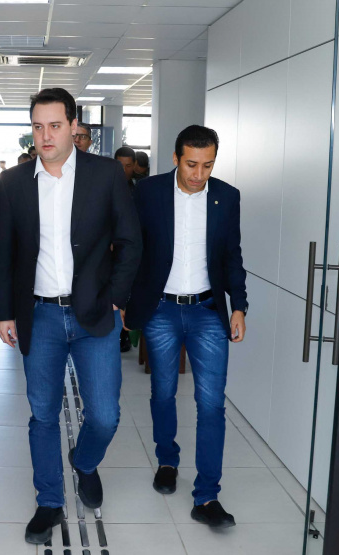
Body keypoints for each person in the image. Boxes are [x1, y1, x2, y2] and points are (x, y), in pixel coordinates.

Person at [0, 88, 142, 545]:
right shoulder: (16, 181)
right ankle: (49, 500)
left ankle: (84, 461)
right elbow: (7, 254)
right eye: (37, 127)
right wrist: (4, 313)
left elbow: (131, 241)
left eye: (55, 126)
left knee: (104, 415)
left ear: (75, 126)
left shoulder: (105, 175)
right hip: (38, 315)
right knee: (42, 414)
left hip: (94, 315)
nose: (45, 136)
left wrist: (116, 299)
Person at [124, 125, 248, 530]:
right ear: (176, 158)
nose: (199, 174)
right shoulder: (148, 193)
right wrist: (124, 300)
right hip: (160, 309)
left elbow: (232, 255)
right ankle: (167, 459)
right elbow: (131, 249)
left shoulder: (226, 197)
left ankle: (207, 495)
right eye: (192, 164)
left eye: (208, 165)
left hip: (208, 312)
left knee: (211, 403)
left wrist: (239, 306)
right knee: (163, 391)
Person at [113, 146, 139, 353]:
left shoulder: (139, 190)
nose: (124, 170)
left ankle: (127, 333)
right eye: (120, 166)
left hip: (132, 251)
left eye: (128, 166)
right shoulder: (105, 187)